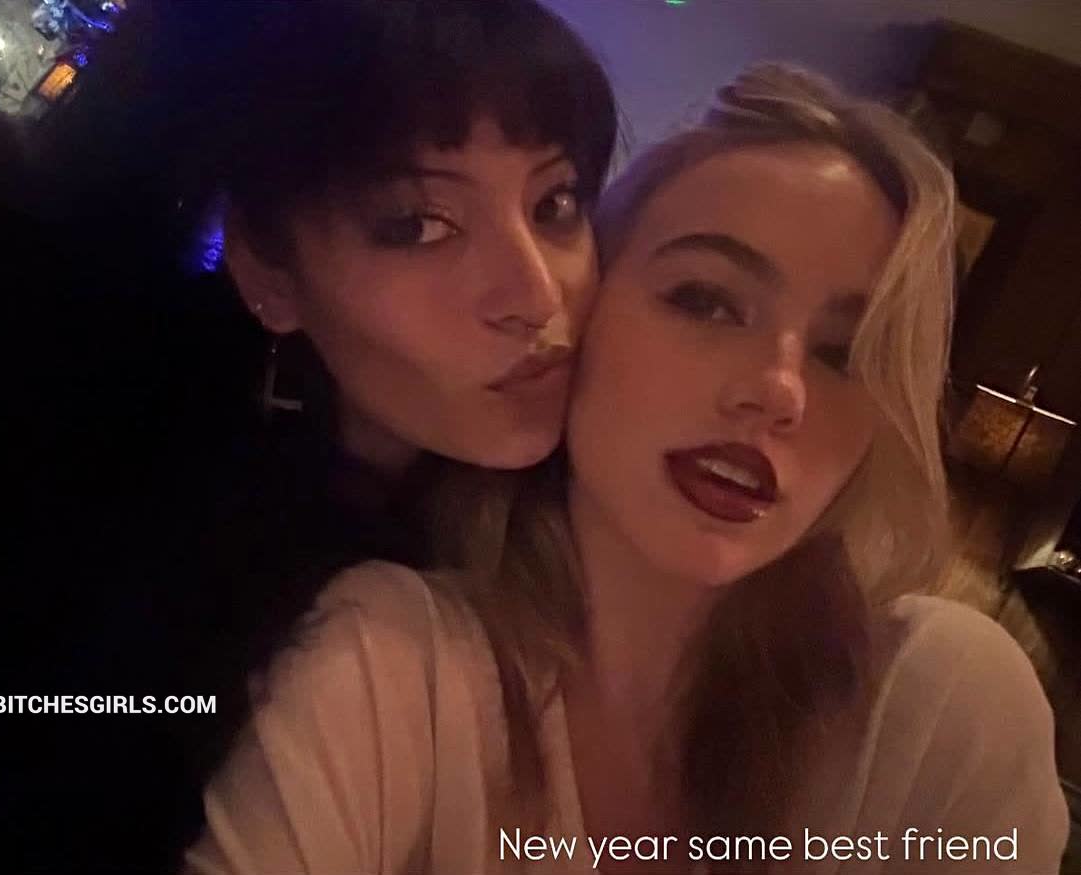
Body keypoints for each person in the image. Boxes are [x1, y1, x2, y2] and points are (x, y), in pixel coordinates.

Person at [184, 65, 1069, 874]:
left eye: (845, 353)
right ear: (583, 319)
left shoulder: (943, 703)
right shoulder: (390, 663)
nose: (778, 390)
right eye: (706, 300)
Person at [0, 2, 616, 872]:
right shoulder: (121, 502)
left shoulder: (583, 534)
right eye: (418, 224)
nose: (536, 295)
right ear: (266, 270)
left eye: (555, 204)